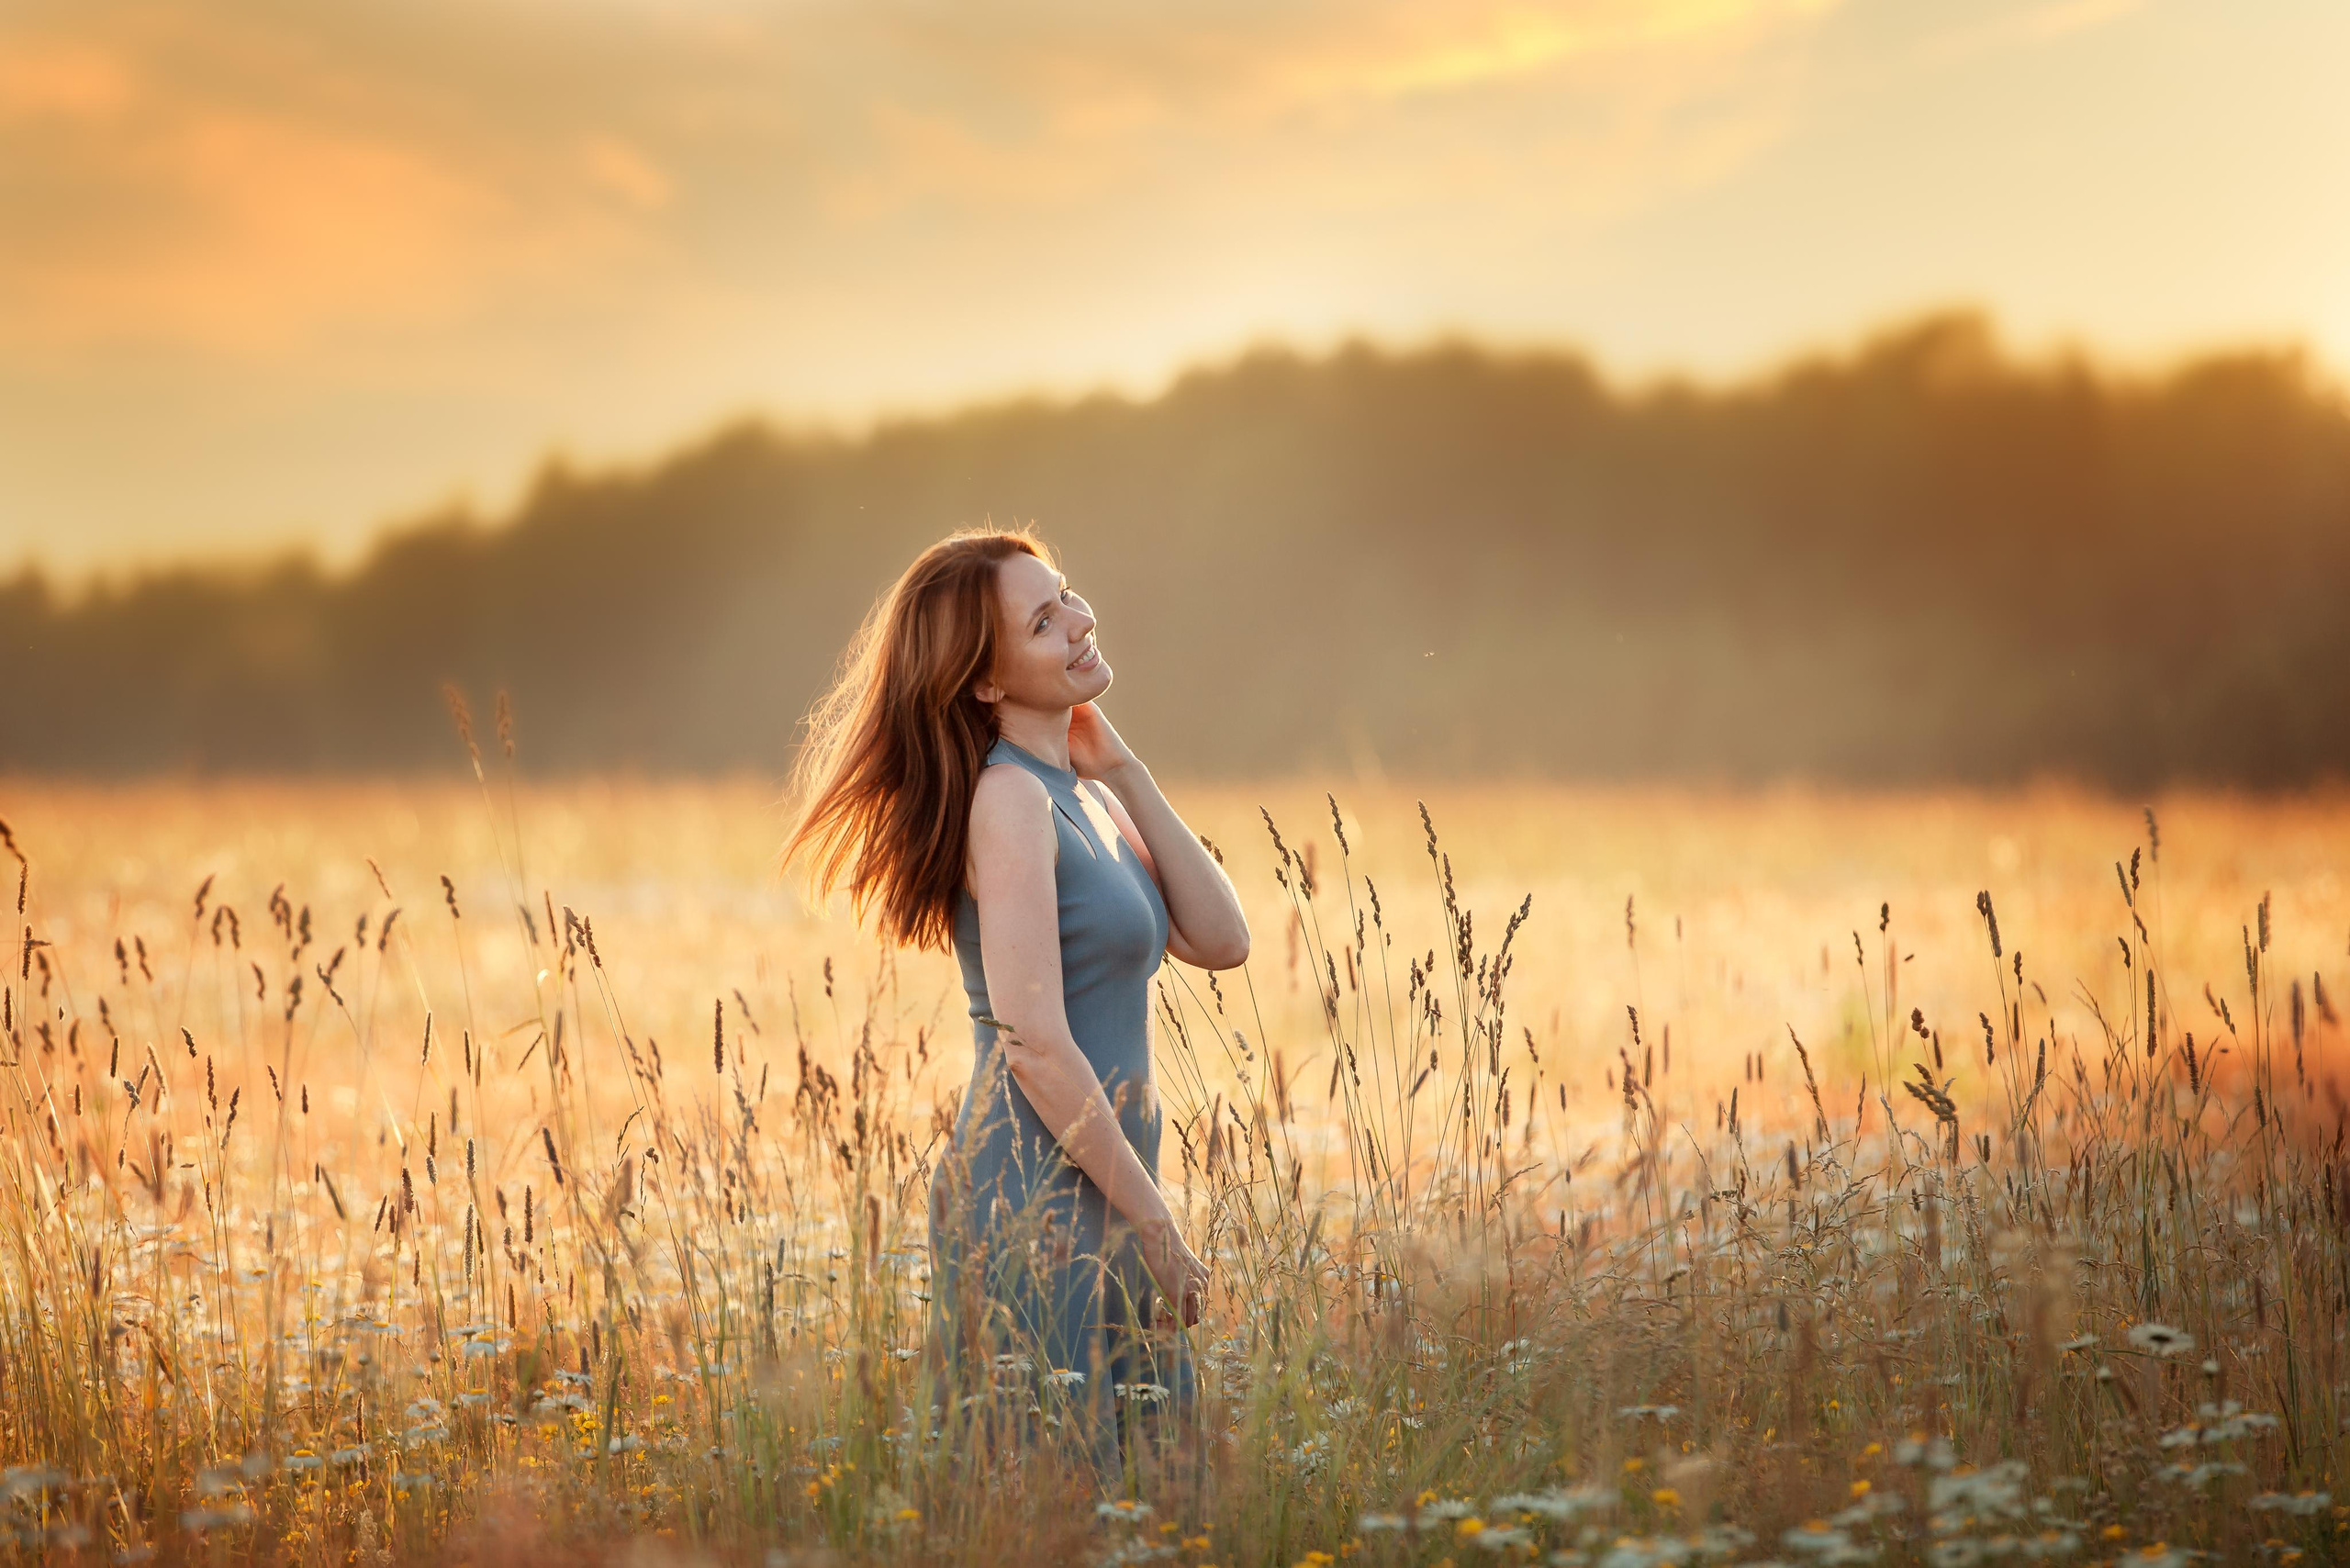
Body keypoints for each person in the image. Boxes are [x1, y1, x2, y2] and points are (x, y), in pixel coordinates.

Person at [778, 525, 1250, 1484]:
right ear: (987, 682)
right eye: (1042, 622)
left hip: (1108, 1187)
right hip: (1033, 1198)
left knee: (1151, 1493)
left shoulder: (1077, 794)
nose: (1078, 622)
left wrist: (1121, 769)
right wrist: (1158, 1228)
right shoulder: (1009, 803)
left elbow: (1220, 939)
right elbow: (1033, 1041)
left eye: (1067, 596)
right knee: (1056, 1500)